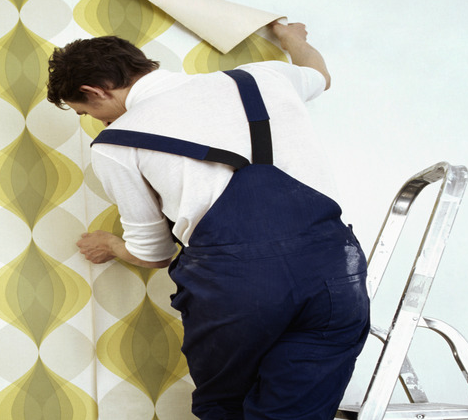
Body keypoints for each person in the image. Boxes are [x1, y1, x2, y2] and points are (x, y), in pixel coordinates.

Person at [47, 22, 370, 420]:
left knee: (227, 410)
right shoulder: (262, 77)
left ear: (96, 92)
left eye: (87, 112)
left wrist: (110, 244)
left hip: (236, 290)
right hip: (335, 272)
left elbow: (153, 254)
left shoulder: (116, 143)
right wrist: (294, 41)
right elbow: (320, 75)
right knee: (295, 414)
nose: (97, 122)